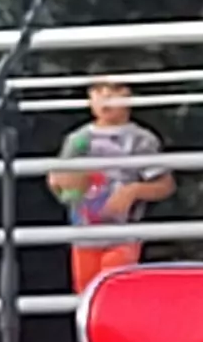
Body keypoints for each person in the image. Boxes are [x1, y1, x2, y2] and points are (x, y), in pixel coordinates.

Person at [49, 77, 174, 295]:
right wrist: (61, 183)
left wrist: (133, 191)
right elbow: (60, 183)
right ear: (89, 97)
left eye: (115, 89)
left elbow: (165, 184)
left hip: (123, 236)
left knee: (114, 293)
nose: (106, 95)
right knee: (86, 298)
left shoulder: (140, 139)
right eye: (98, 89)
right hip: (83, 235)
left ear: (130, 96)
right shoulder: (78, 140)